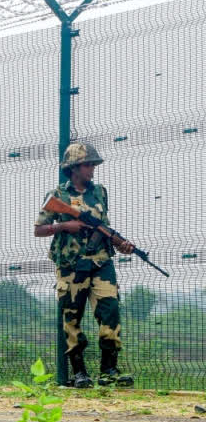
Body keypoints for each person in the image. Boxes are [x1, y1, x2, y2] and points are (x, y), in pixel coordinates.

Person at [34, 143, 134, 388]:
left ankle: (109, 371)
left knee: (110, 313)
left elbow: (103, 225)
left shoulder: (100, 192)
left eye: (92, 164)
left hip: (101, 262)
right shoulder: (58, 195)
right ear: (74, 168)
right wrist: (63, 226)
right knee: (72, 317)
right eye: (88, 164)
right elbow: (38, 230)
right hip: (71, 265)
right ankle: (79, 373)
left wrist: (120, 243)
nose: (92, 169)